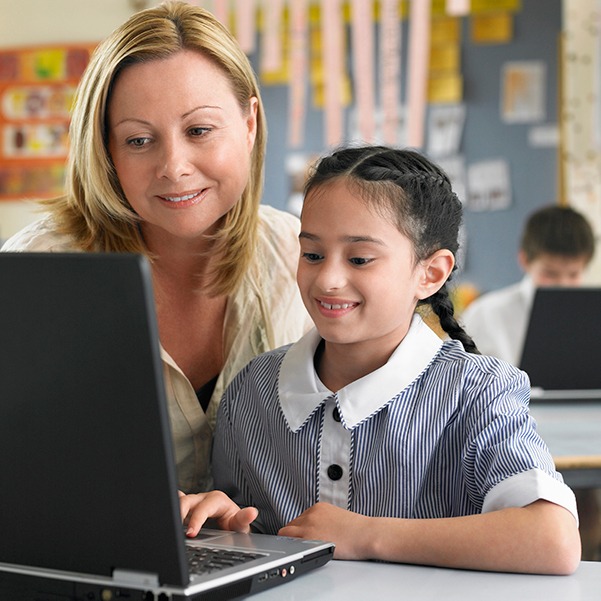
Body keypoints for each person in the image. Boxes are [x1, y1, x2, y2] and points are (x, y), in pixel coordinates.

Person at [179, 146, 581, 575]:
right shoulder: (253, 389)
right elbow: (248, 531)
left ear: (430, 274)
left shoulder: (475, 391)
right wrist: (222, 521)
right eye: (312, 254)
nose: (329, 280)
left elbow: (552, 540)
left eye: (359, 259)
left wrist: (364, 534)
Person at [0, 1, 311, 492]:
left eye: (199, 130)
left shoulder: (299, 252)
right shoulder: (35, 273)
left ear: (249, 123)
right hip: (97, 561)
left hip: (269, 554)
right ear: (107, 151)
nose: (174, 166)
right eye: (140, 141)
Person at [461, 205, 595, 366]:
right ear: (524, 260)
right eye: (550, 274)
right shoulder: (485, 314)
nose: (563, 284)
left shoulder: (592, 317)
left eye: (573, 274)